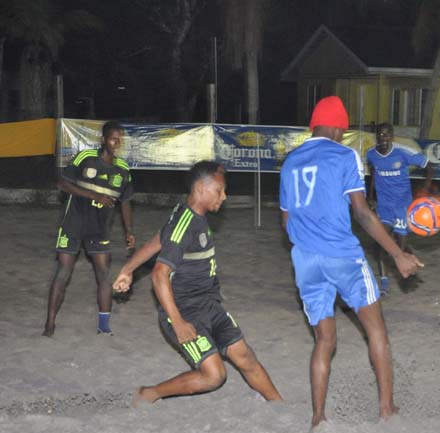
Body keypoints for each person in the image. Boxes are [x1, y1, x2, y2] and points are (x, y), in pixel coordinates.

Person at [279, 96, 423, 428]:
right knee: (377, 330)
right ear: (338, 128)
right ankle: (386, 409)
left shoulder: (290, 162)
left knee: (324, 341)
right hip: (342, 255)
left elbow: (287, 223)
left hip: (305, 260)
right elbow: (361, 212)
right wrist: (397, 254)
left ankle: (318, 418)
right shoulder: (345, 155)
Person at [112, 161, 282, 405]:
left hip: (210, 305)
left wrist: (127, 269)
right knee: (214, 376)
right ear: (201, 188)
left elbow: (160, 239)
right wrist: (179, 322)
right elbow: (159, 274)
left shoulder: (192, 216)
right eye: (219, 190)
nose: (224, 197)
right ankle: (149, 393)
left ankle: (278, 404)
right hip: (183, 310)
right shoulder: (185, 222)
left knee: (244, 356)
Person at [43, 121, 135, 336]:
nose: (117, 142)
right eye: (113, 138)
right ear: (103, 140)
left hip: (99, 229)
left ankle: (103, 327)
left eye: (120, 139)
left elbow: (126, 201)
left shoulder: (123, 169)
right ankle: (49, 323)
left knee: (103, 275)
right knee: (63, 273)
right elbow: (62, 183)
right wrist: (96, 195)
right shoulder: (85, 158)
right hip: (73, 224)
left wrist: (129, 230)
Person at [366, 122, 434, 294]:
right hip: (384, 206)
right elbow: (373, 174)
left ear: (392, 136)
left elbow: (429, 166)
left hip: (402, 205)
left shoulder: (402, 153)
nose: (384, 138)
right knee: (382, 242)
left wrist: (425, 189)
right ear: (377, 136)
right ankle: (384, 284)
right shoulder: (371, 155)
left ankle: (407, 275)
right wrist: (370, 197)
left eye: (387, 134)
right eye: (381, 135)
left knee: (400, 247)